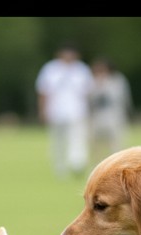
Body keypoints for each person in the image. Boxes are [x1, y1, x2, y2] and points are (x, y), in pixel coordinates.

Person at [36, 43, 94, 178]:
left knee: (77, 139)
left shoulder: (82, 70)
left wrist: (90, 111)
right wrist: (42, 110)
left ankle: (77, 163)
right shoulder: (50, 69)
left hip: (77, 111)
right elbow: (43, 91)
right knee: (57, 142)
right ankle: (60, 169)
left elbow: (88, 92)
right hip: (56, 111)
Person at [88, 57, 132, 162]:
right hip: (96, 116)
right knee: (96, 144)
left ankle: (116, 164)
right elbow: (89, 99)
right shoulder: (91, 82)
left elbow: (123, 98)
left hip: (114, 115)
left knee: (116, 143)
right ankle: (97, 164)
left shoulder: (117, 80)